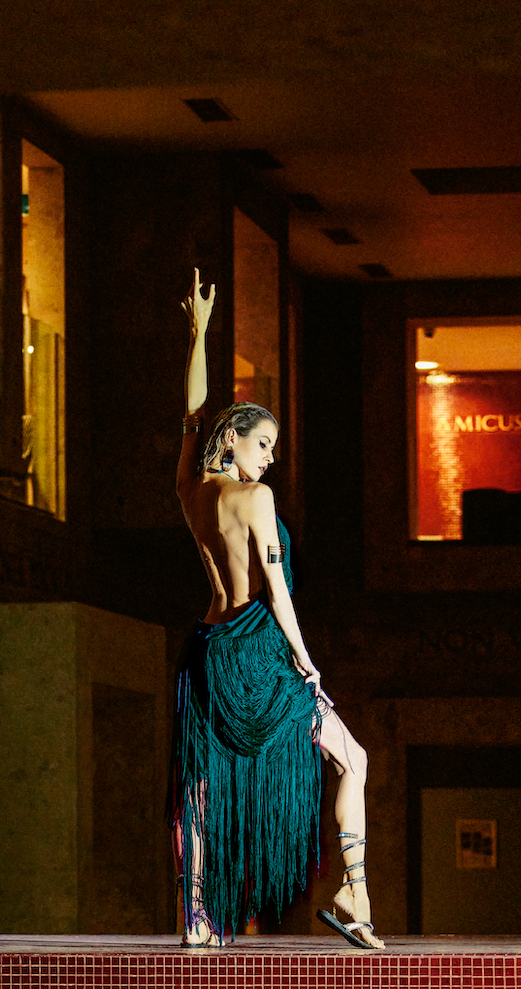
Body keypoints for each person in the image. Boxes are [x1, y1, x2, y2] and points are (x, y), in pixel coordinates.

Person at [170, 270, 383, 951]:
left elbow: (192, 413)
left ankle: (196, 916)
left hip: (207, 648)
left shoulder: (191, 490)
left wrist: (200, 334)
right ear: (233, 438)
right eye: (263, 443)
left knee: (202, 784)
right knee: (353, 759)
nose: (270, 458)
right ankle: (353, 893)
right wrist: (306, 661)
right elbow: (278, 590)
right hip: (259, 651)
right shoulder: (255, 500)